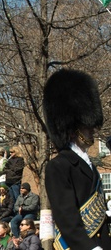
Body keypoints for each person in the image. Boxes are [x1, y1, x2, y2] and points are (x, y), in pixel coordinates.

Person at [43, 69, 111, 249]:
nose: (92, 130)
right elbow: (67, 222)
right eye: (86, 126)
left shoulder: (89, 166)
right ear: (73, 127)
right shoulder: (58, 166)